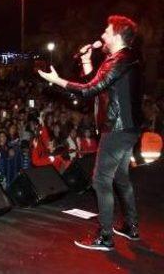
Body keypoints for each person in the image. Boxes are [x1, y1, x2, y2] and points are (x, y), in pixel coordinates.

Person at [38, 15, 142, 251]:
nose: (102, 34)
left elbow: (89, 89)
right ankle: (131, 227)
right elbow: (96, 85)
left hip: (116, 129)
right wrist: (86, 61)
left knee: (100, 180)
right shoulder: (124, 58)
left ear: (116, 35)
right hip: (128, 128)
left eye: (106, 30)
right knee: (121, 178)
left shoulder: (120, 59)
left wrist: (58, 81)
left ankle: (105, 237)